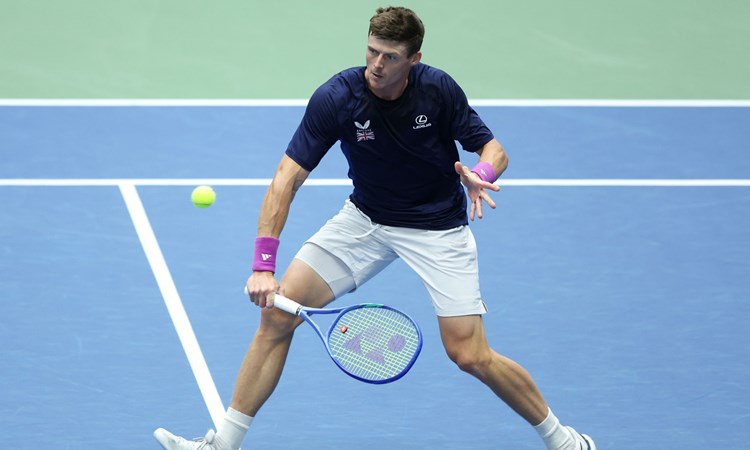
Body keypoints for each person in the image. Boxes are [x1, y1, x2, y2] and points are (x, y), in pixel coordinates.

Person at [154, 6, 595, 450]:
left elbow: (494, 148)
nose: (376, 66)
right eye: (371, 52)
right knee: (278, 313)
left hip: (437, 229)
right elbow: (286, 178)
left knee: (469, 355)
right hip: (365, 220)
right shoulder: (338, 97)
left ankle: (564, 440)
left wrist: (483, 173)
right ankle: (223, 444)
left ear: (413, 60)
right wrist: (263, 265)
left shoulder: (438, 90)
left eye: (389, 57)